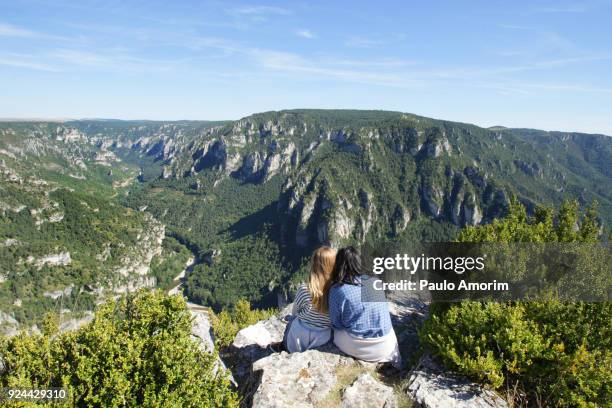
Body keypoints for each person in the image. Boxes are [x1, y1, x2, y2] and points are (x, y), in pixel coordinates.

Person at [328, 246, 401, 366]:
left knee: (334, 333)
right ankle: (397, 366)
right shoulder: (374, 281)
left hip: (360, 348)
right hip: (386, 346)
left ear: (338, 265)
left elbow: (337, 324)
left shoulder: (337, 290)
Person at [283, 246, 336, 352]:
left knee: (290, 322)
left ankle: (282, 346)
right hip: (323, 337)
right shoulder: (337, 291)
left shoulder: (304, 288)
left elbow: (295, 312)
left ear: (314, 265)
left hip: (298, 336)